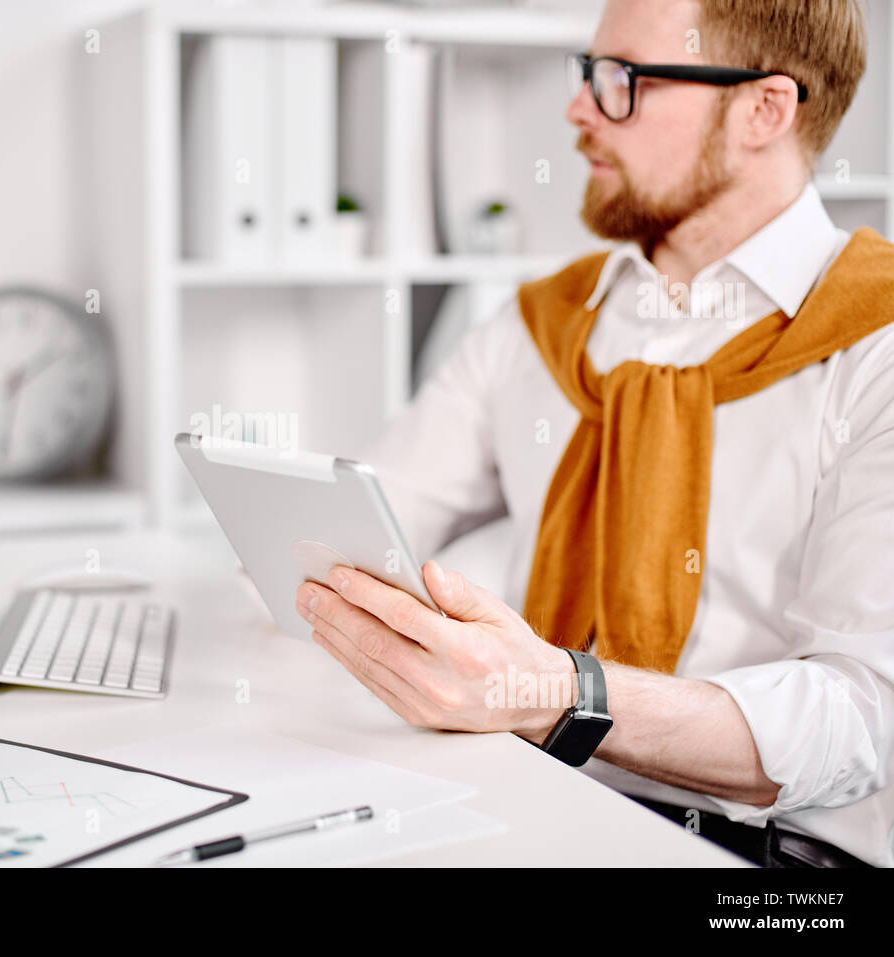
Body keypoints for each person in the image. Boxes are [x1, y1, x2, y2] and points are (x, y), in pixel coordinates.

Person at [295, 0, 890, 868]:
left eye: (624, 83)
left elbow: (863, 714)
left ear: (765, 110)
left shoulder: (875, 344)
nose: (579, 110)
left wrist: (553, 692)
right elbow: (372, 515)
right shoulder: (541, 322)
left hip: (768, 867)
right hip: (529, 797)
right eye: (588, 74)